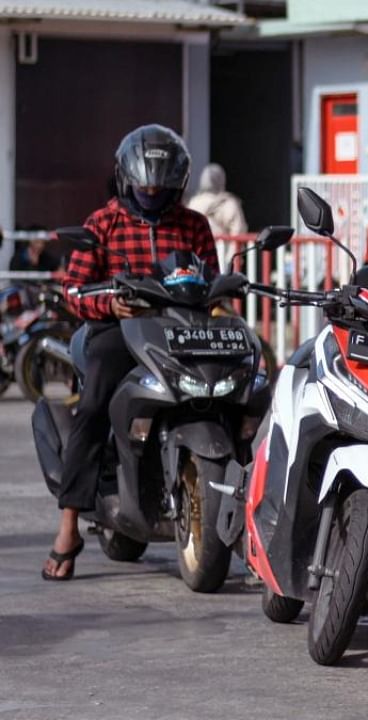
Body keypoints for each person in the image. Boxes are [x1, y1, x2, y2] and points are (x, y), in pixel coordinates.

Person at [42, 124, 218, 581]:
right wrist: (110, 303)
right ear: (127, 179)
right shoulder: (102, 223)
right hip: (116, 330)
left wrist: (219, 301)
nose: (152, 193)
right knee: (95, 404)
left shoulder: (194, 225)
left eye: (161, 185)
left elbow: (214, 282)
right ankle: (67, 529)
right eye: (145, 185)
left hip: (181, 329)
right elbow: (75, 291)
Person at [186, 163, 248, 237]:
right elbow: (239, 231)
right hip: (221, 247)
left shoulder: (193, 203)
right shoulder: (229, 203)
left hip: (198, 246)